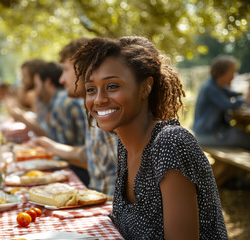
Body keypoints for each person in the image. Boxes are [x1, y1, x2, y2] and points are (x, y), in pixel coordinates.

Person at [73, 36, 227, 239]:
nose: (99, 99)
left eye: (112, 86)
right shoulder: (126, 145)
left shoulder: (171, 142)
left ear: (145, 87)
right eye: (91, 89)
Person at [33, 38, 118, 196]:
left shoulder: (109, 109)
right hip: (98, 199)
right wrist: (52, 146)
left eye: (66, 69)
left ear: (83, 67)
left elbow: (127, 178)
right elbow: (94, 156)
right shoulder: (93, 108)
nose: (61, 79)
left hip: (108, 208)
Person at [193, 55, 250, 150]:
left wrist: (244, 95)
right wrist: (245, 99)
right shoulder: (210, 88)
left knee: (245, 135)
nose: (234, 76)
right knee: (247, 139)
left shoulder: (217, 86)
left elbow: (234, 94)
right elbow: (228, 105)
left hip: (213, 132)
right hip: (206, 135)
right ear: (223, 72)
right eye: (232, 72)